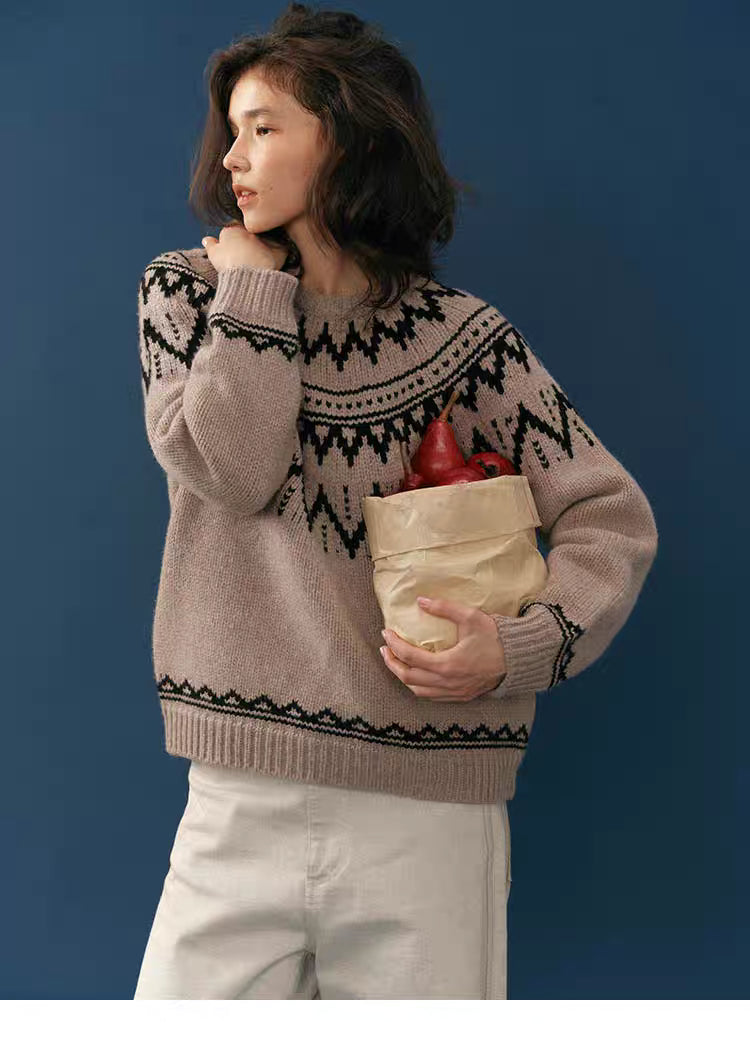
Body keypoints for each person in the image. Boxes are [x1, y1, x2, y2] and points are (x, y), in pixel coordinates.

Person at [132, 3, 658, 1001]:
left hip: (433, 810)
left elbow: (611, 518)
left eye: (264, 125)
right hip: (241, 795)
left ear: (348, 135)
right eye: (231, 130)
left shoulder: (467, 340)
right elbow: (233, 470)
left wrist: (518, 648)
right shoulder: (188, 294)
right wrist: (253, 295)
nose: (231, 158)